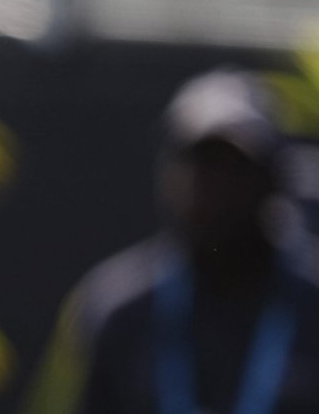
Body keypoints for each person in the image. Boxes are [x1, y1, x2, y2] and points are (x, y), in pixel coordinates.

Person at [22, 67, 319, 414]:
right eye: (201, 165)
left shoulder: (310, 304)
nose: (214, 189)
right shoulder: (115, 309)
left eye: (233, 168)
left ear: (272, 179)